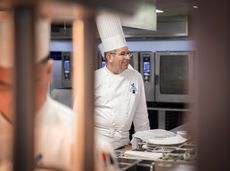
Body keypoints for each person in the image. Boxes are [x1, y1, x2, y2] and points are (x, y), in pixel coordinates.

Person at [0, 12, 74, 170]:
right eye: (4, 86)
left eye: (29, 84)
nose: (17, 99)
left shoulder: (78, 137)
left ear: (48, 72)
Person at [95, 11, 150, 149]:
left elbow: (141, 114)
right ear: (109, 57)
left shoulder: (135, 77)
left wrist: (144, 145)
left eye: (128, 53)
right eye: (123, 54)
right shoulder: (94, 78)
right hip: (97, 145)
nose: (128, 57)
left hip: (124, 145)